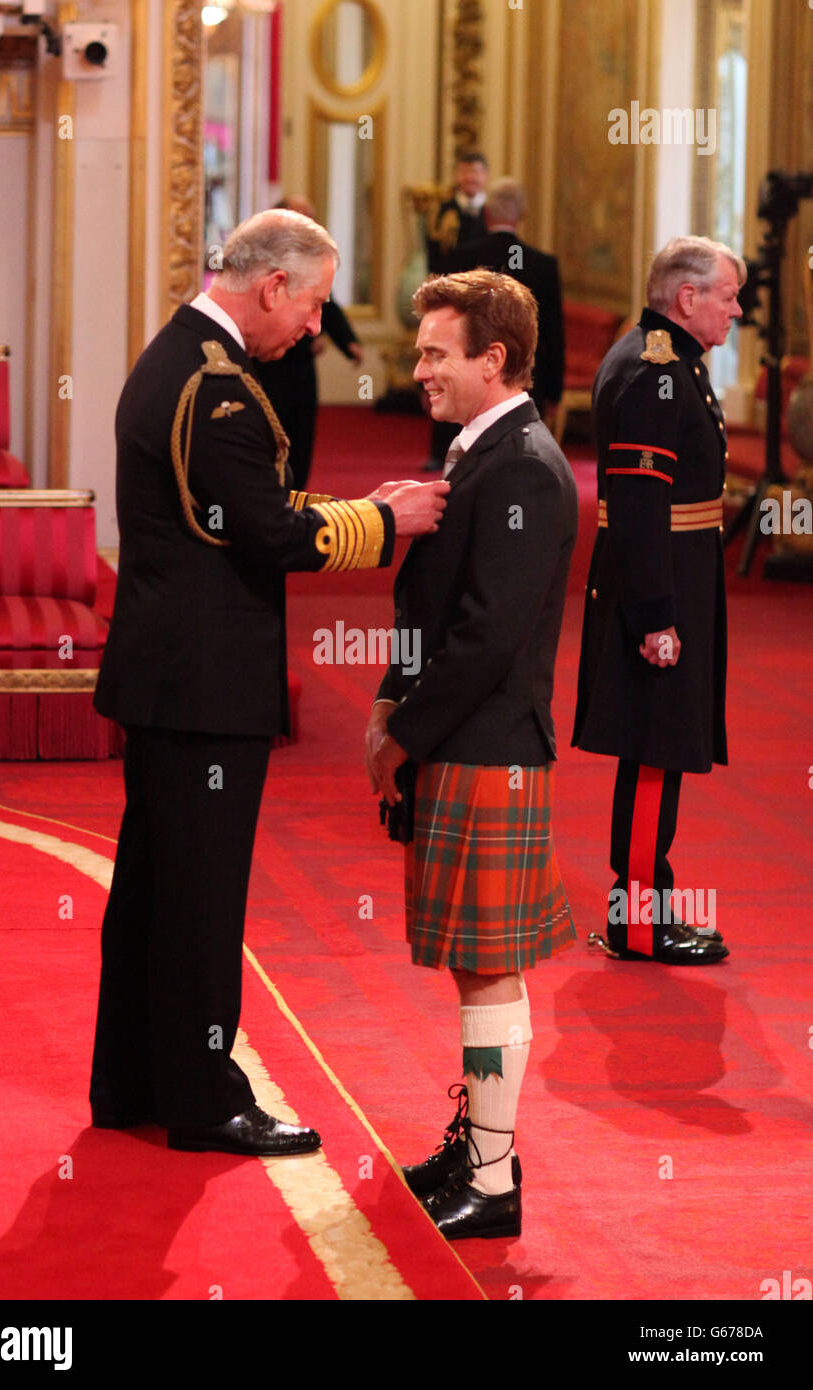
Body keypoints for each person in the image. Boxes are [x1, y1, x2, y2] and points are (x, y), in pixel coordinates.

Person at [90, 209, 449, 1157]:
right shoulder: (217, 389)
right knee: (200, 900)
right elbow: (270, 531)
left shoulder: (182, 356)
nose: (314, 326)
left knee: (156, 890)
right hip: (202, 682)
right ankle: (205, 1102)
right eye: (314, 303)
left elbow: (255, 507)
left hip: (170, 673)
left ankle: (132, 1081)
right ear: (271, 286)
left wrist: (354, 507)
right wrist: (386, 520)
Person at [366, 269, 578, 1240]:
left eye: (434, 353)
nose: (419, 370)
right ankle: (480, 1145)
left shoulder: (524, 466)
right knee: (473, 964)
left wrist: (399, 733)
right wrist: (386, 700)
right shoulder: (482, 455)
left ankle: (491, 1178)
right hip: (463, 745)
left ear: (494, 360)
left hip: (486, 747)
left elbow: (487, 637)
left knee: (488, 968)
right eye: (419, 353)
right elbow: (430, 609)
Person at [572, 235, 745, 964]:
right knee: (652, 750)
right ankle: (639, 921)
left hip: (677, 575)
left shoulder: (670, 361)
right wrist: (655, 619)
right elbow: (641, 504)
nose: (736, 310)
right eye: (728, 297)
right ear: (687, 297)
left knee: (661, 750)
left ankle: (648, 907)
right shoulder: (655, 373)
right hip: (660, 584)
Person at [257, 195, 364, 491]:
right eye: (301, 219)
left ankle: (295, 495)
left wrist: (348, 343)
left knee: (301, 435)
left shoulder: (310, 261)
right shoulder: (261, 260)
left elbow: (327, 306)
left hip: (301, 369)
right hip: (267, 366)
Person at [440, 178, 565, 421]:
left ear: (486, 214)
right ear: (523, 215)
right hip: (525, 383)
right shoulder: (544, 266)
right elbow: (554, 334)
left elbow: (446, 325)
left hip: (467, 377)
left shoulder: (459, 259)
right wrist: (554, 393)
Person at [424, 153, 490, 471]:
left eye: (476, 173)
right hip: (453, 304)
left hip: (485, 307)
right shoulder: (444, 212)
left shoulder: (492, 213)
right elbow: (435, 259)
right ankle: (440, 450)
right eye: (465, 173)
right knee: (445, 375)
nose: (471, 179)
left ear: (485, 177)